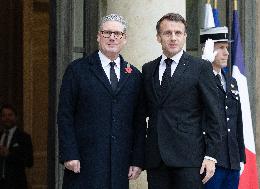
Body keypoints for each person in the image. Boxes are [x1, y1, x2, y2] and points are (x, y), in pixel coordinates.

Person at [57, 14, 146, 189]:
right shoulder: (77, 70)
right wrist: (69, 153)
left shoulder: (134, 76)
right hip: (84, 163)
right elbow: (65, 115)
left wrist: (137, 160)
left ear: (124, 39)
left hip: (119, 166)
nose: (112, 37)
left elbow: (139, 121)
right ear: (98, 36)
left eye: (117, 33)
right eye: (107, 33)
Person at [142, 13, 221, 189]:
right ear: (158, 37)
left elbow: (214, 115)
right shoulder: (148, 69)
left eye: (178, 33)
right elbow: (143, 113)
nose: (173, 38)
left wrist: (211, 156)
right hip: (156, 159)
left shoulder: (200, 68)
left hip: (189, 159)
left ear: (185, 36)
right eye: (167, 33)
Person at [200, 27, 246, 189]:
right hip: (209, 159)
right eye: (220, 48)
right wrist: (204, 67)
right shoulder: (199, 79)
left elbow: (237, 121)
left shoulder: (231, 81)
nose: (226, 53)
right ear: (207, 49)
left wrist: (241, 156)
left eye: (227, 48)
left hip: (231, 159)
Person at [0, 104, 33, 189]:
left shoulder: (23, 137)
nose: (7, 118)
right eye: (4, 115)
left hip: (16, 184)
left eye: (10, 115)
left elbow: (29, 162)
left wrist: (9, 155)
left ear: (16, 117)